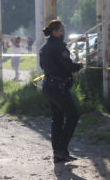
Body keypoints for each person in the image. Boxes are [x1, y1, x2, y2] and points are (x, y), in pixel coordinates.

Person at [39, 20, 83, 163]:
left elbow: (43, 65)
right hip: (58, 88)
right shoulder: (59, 46)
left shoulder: (44, 47)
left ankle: (57, 154)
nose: (63, 33)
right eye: (61, 30)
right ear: (54, 32)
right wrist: (79, 65)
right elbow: (68, 65)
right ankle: (61, 149)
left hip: (48, 87)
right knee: (73, 116)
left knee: (57, 119)